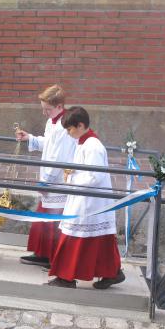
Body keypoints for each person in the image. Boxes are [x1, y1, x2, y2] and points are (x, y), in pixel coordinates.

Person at [47, 106, 125, 289]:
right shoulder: (83, 142)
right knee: (99, 238)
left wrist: (72, 178)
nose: (68, 133)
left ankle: (66, 277)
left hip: (89, 202)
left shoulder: (93, 146)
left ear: (80, 125)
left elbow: (94, 176)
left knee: (74, 237)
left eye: (70, 129)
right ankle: (112, 272)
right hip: (86, 199)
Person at [15, 85, 77, 268]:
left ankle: (54, 256)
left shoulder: (65, 125)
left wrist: (47, 181)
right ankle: (43, 253)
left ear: (59, 106)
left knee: (53, 219)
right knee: (44, 218)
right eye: (43, 108)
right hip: (50, 177)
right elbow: (49, 144)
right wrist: (31, 139)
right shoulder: (52, 122)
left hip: (58, 180)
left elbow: (60, 157)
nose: (44, 113)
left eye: (47, 109)